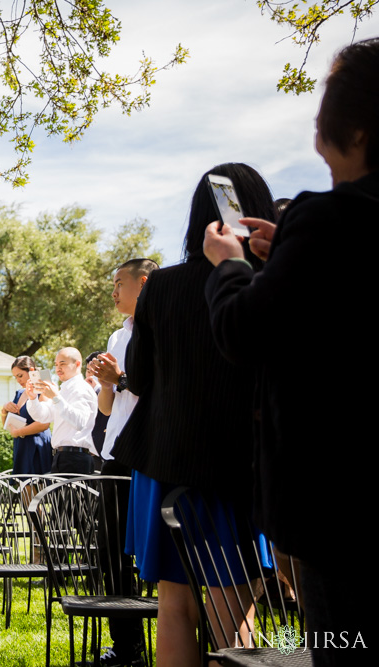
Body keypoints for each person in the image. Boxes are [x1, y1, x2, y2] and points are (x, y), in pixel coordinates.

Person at [202, 39, 378, 667]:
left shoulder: (329, 220)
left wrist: (231, 268)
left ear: (350, 130)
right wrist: (286, 265)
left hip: (340, 504)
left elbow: (245, 332)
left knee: (342, 645)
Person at [112, 162, 275, 665]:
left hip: (169, 463)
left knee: (175, 603)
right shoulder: (272, 280)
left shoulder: (161, 287)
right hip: (240, 465)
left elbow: (137, 380)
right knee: (233, 605)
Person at [85, 257, 157, 667]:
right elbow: (109, 406)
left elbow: (157, 389)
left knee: (150, 555)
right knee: (110, 551)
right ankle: (125, 646)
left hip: (146, 453)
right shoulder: (116, 337)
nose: (113, 291)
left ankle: (163, 640)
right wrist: (106, 384)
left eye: (119, 283)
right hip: (114, 453)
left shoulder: (160, 331)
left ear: (142, 284)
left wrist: (121, 379)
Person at [26, 347, 97, 474]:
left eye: (62, 364)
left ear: (77, 364)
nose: (58, 369)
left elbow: (80, 422)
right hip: (61, 457)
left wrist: (56, 397)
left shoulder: (81, 388)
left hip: (76, 458)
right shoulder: (63, 390)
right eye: (56, 365)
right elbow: (44, 416)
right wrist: (32, 398)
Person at [2, 356, 52, 474]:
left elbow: (44, 423)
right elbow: (8, 425)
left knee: (38, 488)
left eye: (20, 376)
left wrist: (19, 432)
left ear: (31, 371)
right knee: (24, 489)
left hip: (37, 444)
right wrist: (4, 410)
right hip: (21, 445)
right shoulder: (19, 393)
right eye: (15, 377)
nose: (18, 380)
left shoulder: (43, 390)